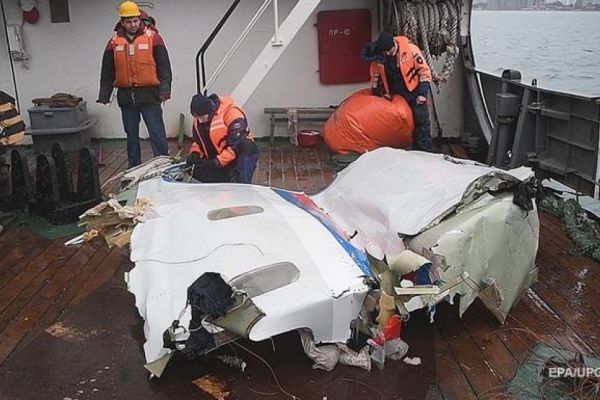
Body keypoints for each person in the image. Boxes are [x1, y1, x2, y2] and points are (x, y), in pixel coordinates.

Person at [97, 1, 172, 167]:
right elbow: (107, 71)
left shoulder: (154, 38)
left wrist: (165, 90)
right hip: (126, 96)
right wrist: (104, 94)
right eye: (129, 21)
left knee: (156, 131)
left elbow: (164, 67)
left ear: (140, 19)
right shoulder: (114, 42)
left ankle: (163, 165)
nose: (133, 24)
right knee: (131, 135)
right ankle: (134, 166)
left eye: (135, 21)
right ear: (122, 22)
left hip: (150, 95)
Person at [362, 32, 434, 152]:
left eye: (389, 51)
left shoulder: (411, 50)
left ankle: (425, 150)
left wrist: (422, 93)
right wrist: (376, 94)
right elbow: (375, 77)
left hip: (414, 91)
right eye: (385, 52)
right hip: (395, 94)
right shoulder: (379, 58)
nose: (387, 54)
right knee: (399, 124)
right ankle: (405, 149)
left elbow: (424, 72)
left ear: (394, 45)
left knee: (421, 120)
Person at [186, 93, 259, 184]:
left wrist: (217, 162)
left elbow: (236, 146)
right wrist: (195, 153)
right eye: (196, 117)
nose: (199, 120)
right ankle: (220, 180)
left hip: (234, 158)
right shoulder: (199, 117)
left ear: (210, 112)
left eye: (201, 117)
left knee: (247, 146)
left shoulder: (232, 113)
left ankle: (241, 183)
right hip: (215, 158)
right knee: (191, 167)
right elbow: (197, 141)